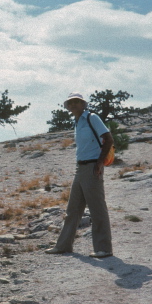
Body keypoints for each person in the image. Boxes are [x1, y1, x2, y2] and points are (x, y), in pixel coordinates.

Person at [46, 92, 113, 258]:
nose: (74, 105)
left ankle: (104, 249)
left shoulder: (92, 118)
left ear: (83, 104)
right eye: (71, 102)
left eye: (77, 102)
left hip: (92, 167)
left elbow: (108, 139)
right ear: (67, 106)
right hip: (81, 168)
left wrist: (99, 163)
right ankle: (63, 246)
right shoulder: (77, 122)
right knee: (73, 209)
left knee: (97, 209)